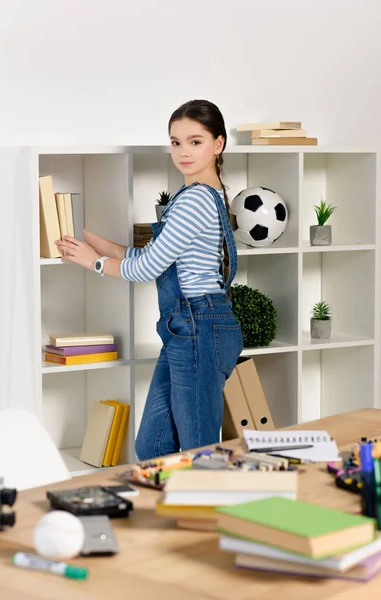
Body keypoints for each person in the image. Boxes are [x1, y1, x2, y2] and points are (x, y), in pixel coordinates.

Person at [55, 99, 243, 460]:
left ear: (218, 144)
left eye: (195, 141)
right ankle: (172, 509)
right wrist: (93, 241)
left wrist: (93, 263)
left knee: (199, 452)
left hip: (198, 327)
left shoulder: (194, 201)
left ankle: (208, 513)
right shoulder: (208, 195)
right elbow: (150, 256)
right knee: (153, 446)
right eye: (175, 142)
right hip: (188, 328)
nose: (183, 152)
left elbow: (146, 269)